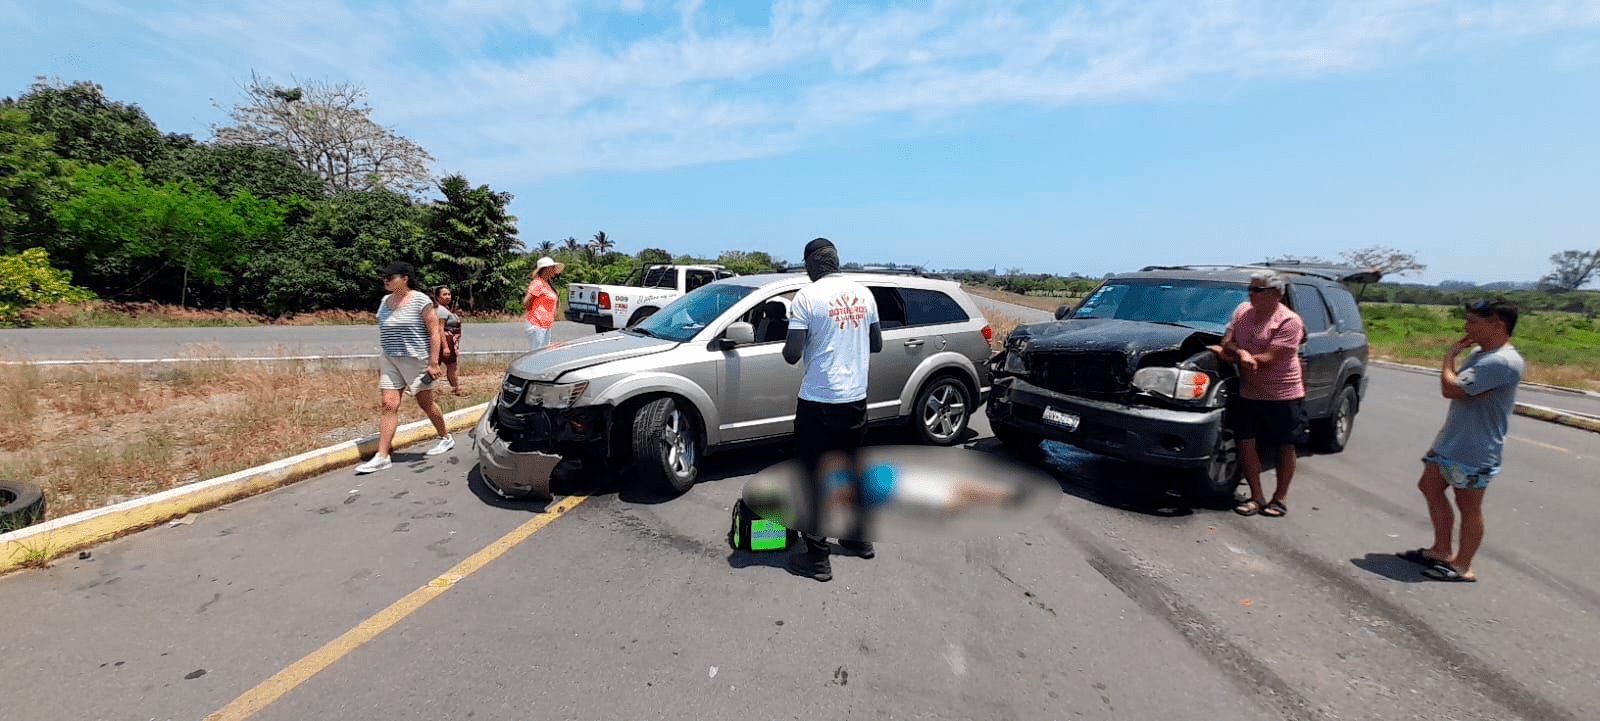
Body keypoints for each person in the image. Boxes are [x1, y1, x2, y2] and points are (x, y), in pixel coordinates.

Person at [1397, 299, 1523, 583]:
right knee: (1429, 486)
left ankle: (1463, 565)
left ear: (1498, 325)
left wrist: (1449, 357)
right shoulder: (1481, 353)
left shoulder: (1501, 362)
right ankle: (1441, 549)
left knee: (1469, 505)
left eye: (1474, 322)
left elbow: (1450, 388)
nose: (1466, 327)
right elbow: (1460, 388)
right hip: (1453, 440)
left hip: (1476, 448)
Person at [781, 237, 883, 582]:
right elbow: (877, 343)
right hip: (855, 400)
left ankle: (817, 558)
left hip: (818, 403)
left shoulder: (807, 297)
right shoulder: (864, 294)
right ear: (836, 261)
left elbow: (792, 354)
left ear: (811, 264)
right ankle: (857, 539)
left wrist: (800, 336)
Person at [1213, 271, 1307, 518]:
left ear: (1276, 294)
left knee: (1284, 446)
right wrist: (1240, 353)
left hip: (1282, 393)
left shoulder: (1289, 322)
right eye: (1250, 289)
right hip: (1248, 392)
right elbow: (1227, 343)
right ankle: (1256, 496)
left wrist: (1235, 354)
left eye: (1257, 290)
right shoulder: (1243, 312)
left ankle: (1280, 498)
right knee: (1246, 442)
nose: (1250, 294)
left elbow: (1266, 360)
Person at [355, 262, 456, 474]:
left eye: (390, 277)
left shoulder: (420, 300)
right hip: (390, 359)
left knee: (425, 404)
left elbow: (434, 332)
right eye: (385, 277)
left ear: (405, 278)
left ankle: (445, 437)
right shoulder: (385, 301)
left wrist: (434, 362)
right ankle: (382, 456)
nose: (386, 280)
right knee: (389, 405)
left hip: (416, 360)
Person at [523, 256, 563, 351]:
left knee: (543, 356)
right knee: (536, 356)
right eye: (552, 267)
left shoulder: (547, 283)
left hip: (545, 326)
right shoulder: (538, 283)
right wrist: (538, 314)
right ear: (545, 269)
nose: (554, 269)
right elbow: (526, 303)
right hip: (537, 325)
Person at [433, 285, 466, 396]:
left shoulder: (444, 309)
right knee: (450, 366)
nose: (447, 297)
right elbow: (440, 329)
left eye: (449, 294)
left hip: (449, 342)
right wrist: (446, 347)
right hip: (446, 342)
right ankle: (456, 389)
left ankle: (456, 388)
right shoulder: (441, 311)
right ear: (437, 297)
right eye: (444, 294)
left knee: (448, 366)